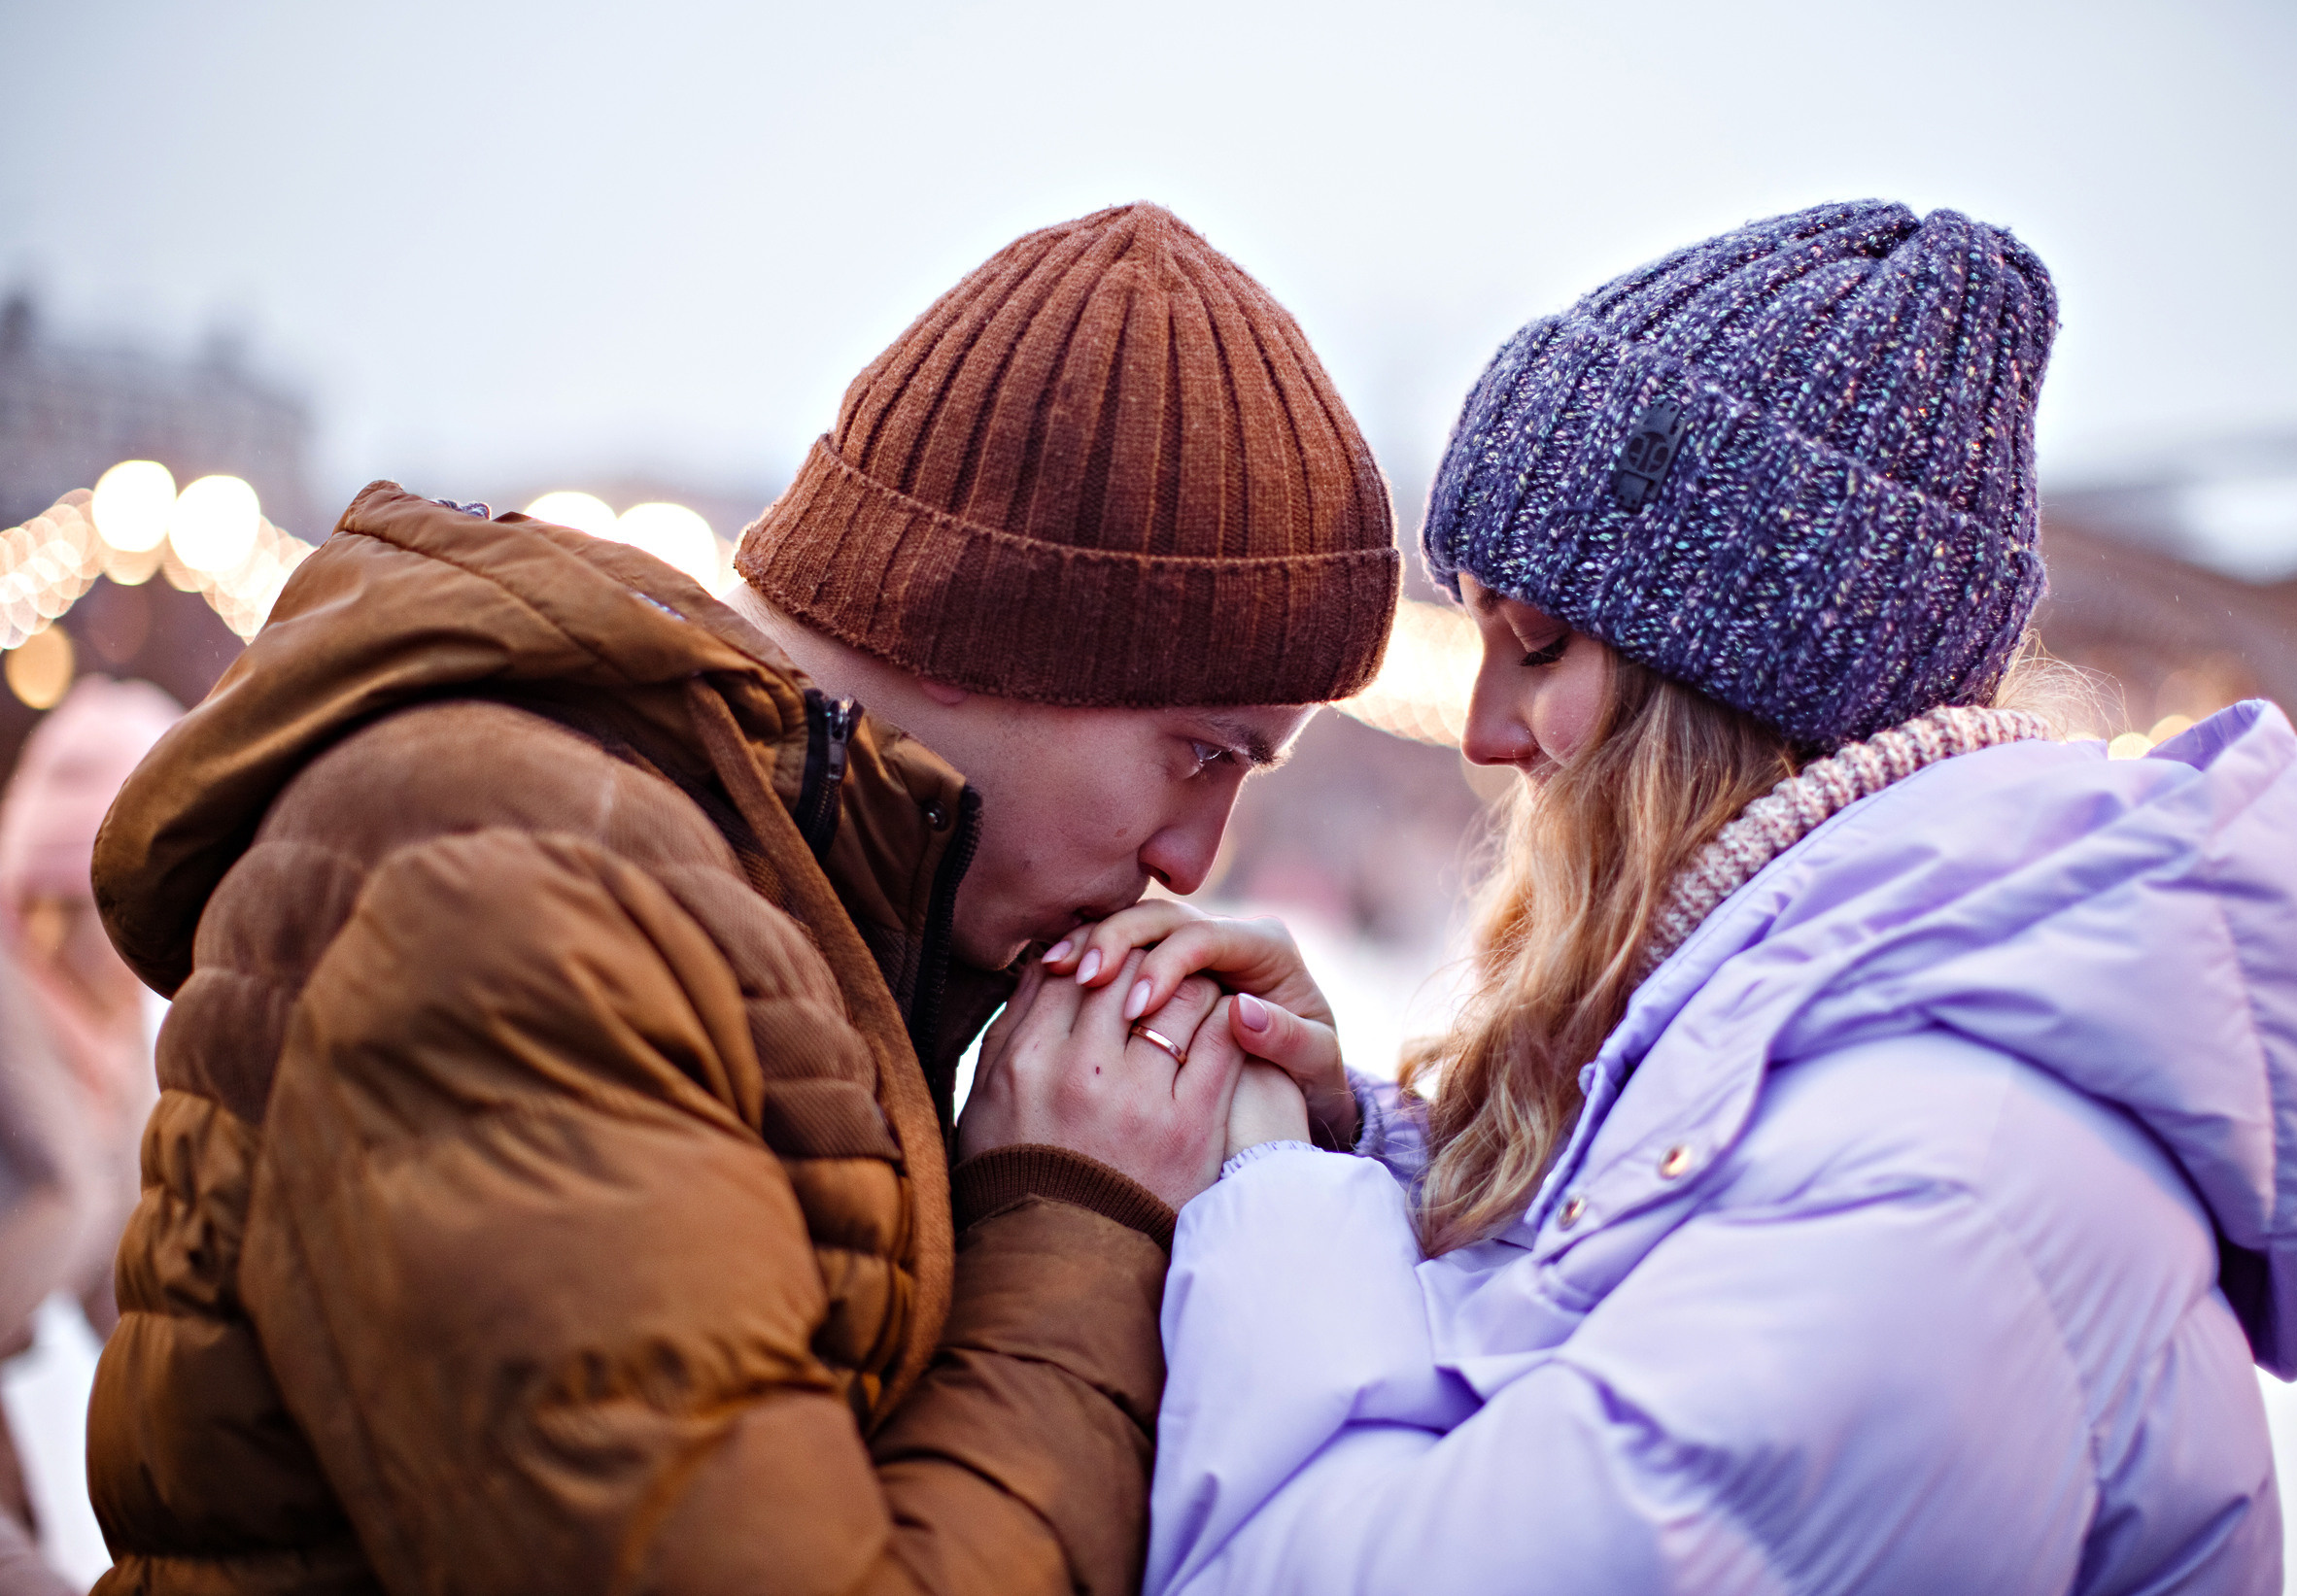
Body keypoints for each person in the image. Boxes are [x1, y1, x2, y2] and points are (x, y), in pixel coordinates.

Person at [1015, 201, 2297, 1594]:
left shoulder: (1950, 1195)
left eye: (1542, 645)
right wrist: (1359, 1133)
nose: (1488, 730)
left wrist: (1274, 1186)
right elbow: (1594, 1342)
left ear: (1736, 692)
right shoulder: (1866, 1079)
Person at [83, 202, 1400, 1594]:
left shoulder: (775, 908)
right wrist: (1072, 1221)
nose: (1196, 859)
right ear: (981, 622)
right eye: (1201, 751)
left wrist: (1300, 1119)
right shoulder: (513, 901)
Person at [0, 676, 182, 1595]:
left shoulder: (110, 1058)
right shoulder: (18, 1038)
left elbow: (133, 1300)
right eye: (134, 919)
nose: (154, 957)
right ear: (60, 901)